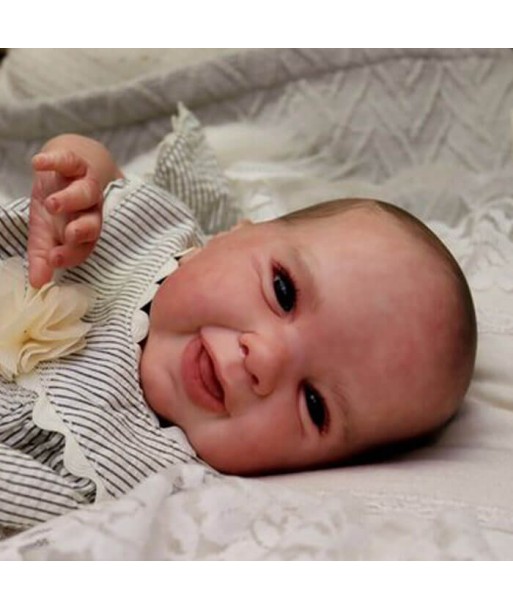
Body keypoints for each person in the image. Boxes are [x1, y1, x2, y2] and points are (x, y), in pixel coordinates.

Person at [0, 108, 477, 529]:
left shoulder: (139, 480)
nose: (265, 360)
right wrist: (72, 181)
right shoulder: (155, 232)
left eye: (314, 405)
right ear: (234, 234)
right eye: (283, 291)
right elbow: (100, 173)